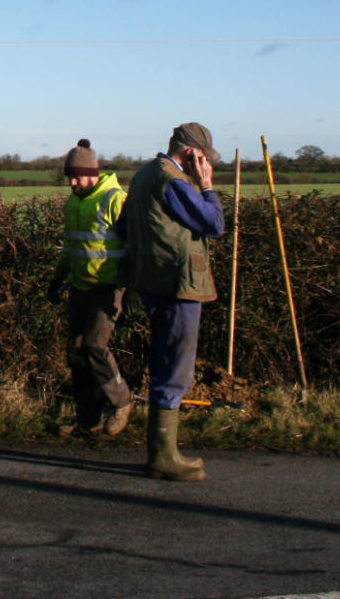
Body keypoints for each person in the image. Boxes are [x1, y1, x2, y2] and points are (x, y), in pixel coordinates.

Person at [116, 122, 228, 481]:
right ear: (193, 154)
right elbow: (213, 223)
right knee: (176, 368)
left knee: (164, 360)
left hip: (151, 282)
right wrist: (207, 185)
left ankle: (161, 453)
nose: (206, 165)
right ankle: (164, 458)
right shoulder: (173, 180)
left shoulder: (145, 174)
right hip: (179, 285)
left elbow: (122, 229)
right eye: (204, 159)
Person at [46, 139, 132, 437]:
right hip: (79, 287)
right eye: (69, 176)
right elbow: (71, 248)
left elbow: (134, 246)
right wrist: (57, 280)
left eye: (77, 176)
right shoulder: (74, 203)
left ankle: (121, 402)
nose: (72, 182)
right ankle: (88, 420)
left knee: (94, 346)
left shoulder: (115, 199)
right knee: (76, 353)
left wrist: (131, 287)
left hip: (109, 288)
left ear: (93, 173)